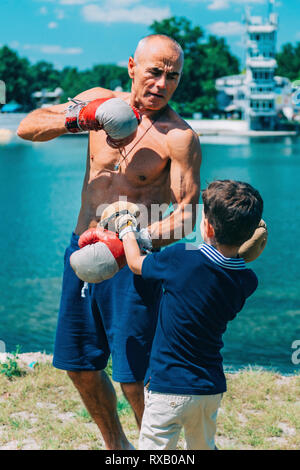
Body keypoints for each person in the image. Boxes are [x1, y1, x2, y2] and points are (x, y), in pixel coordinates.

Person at [17, 34, 202, 449]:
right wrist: (84, 117)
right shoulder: (98, 100)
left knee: (135, 378)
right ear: (132, 66)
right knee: (79, 366)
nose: (162, 84)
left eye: (173, 77)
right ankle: (117, 448)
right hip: (81, 249)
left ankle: (159, 452)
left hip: (134, 263)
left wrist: (126, 246)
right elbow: (28, 128)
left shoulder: (179, 137)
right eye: (155, 72)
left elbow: (188, 215)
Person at [115, 179, 264, 450]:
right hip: (209, 389)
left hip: (167, 387)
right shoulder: (247, 280)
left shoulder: (181, 258)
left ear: (206, 226)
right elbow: (233, 263)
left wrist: (126, 228)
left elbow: (136, 264)